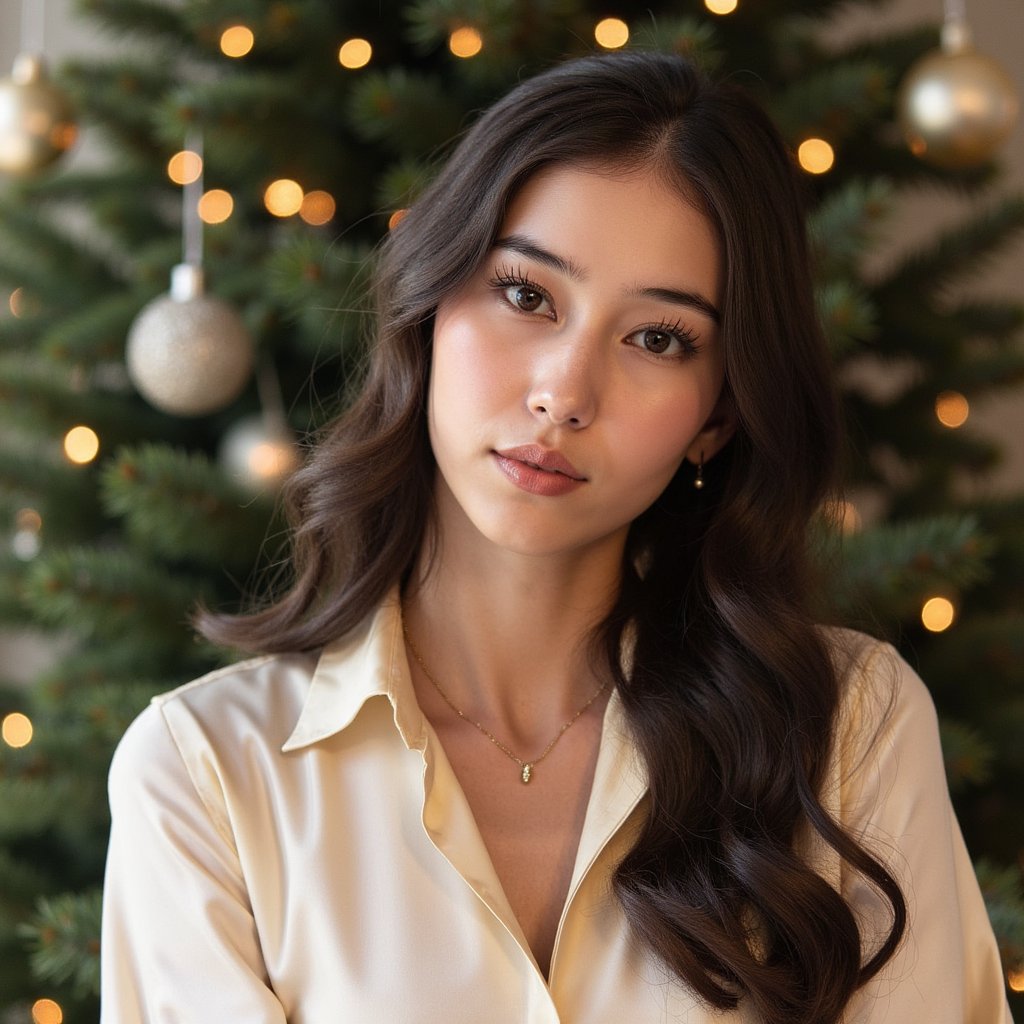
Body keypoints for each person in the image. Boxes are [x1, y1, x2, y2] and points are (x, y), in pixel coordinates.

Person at [100, 51, 1012, 1024]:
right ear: (430, 307)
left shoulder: (851, 728)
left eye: (658, 338)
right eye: (526, 295)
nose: (564, 394)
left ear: (716, 415)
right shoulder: (204, 769)